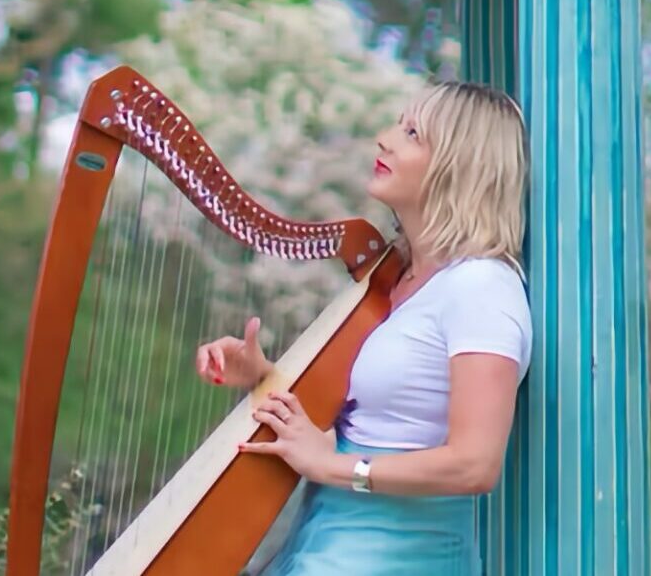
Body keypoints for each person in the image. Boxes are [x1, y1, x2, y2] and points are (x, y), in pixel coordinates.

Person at [192, 80, 533, 576]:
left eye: (412, 134)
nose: (384, 139)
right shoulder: (395, 280)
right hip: (322, 550)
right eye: (398, 125)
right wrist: (261, 376)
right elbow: (378, 418)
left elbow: (474, 465)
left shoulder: (483, 286)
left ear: (460, 165)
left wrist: (329, 466)